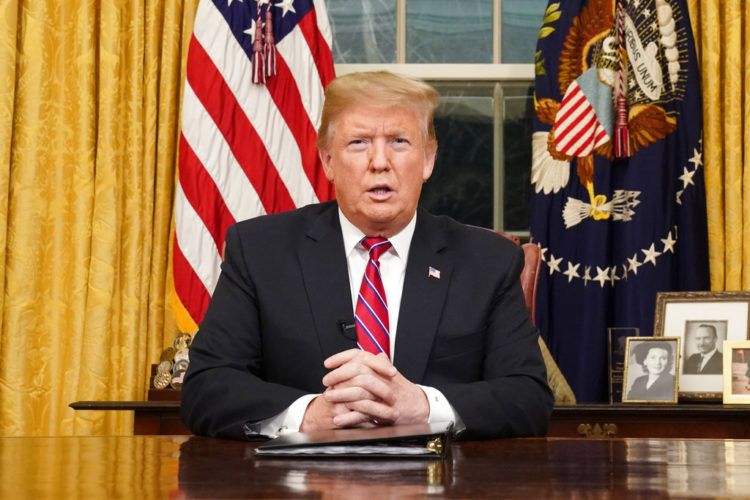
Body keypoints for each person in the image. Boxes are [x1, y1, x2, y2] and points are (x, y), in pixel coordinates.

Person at [181, 71, 553, 440]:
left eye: (399, 142)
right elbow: (206, 387)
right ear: (327, 160)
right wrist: (308, 415)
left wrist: (423, 406)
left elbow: (528, 397)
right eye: (359, 143)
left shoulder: (488, 262)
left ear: (428, 160)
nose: (379, 162)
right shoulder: (260, 251)